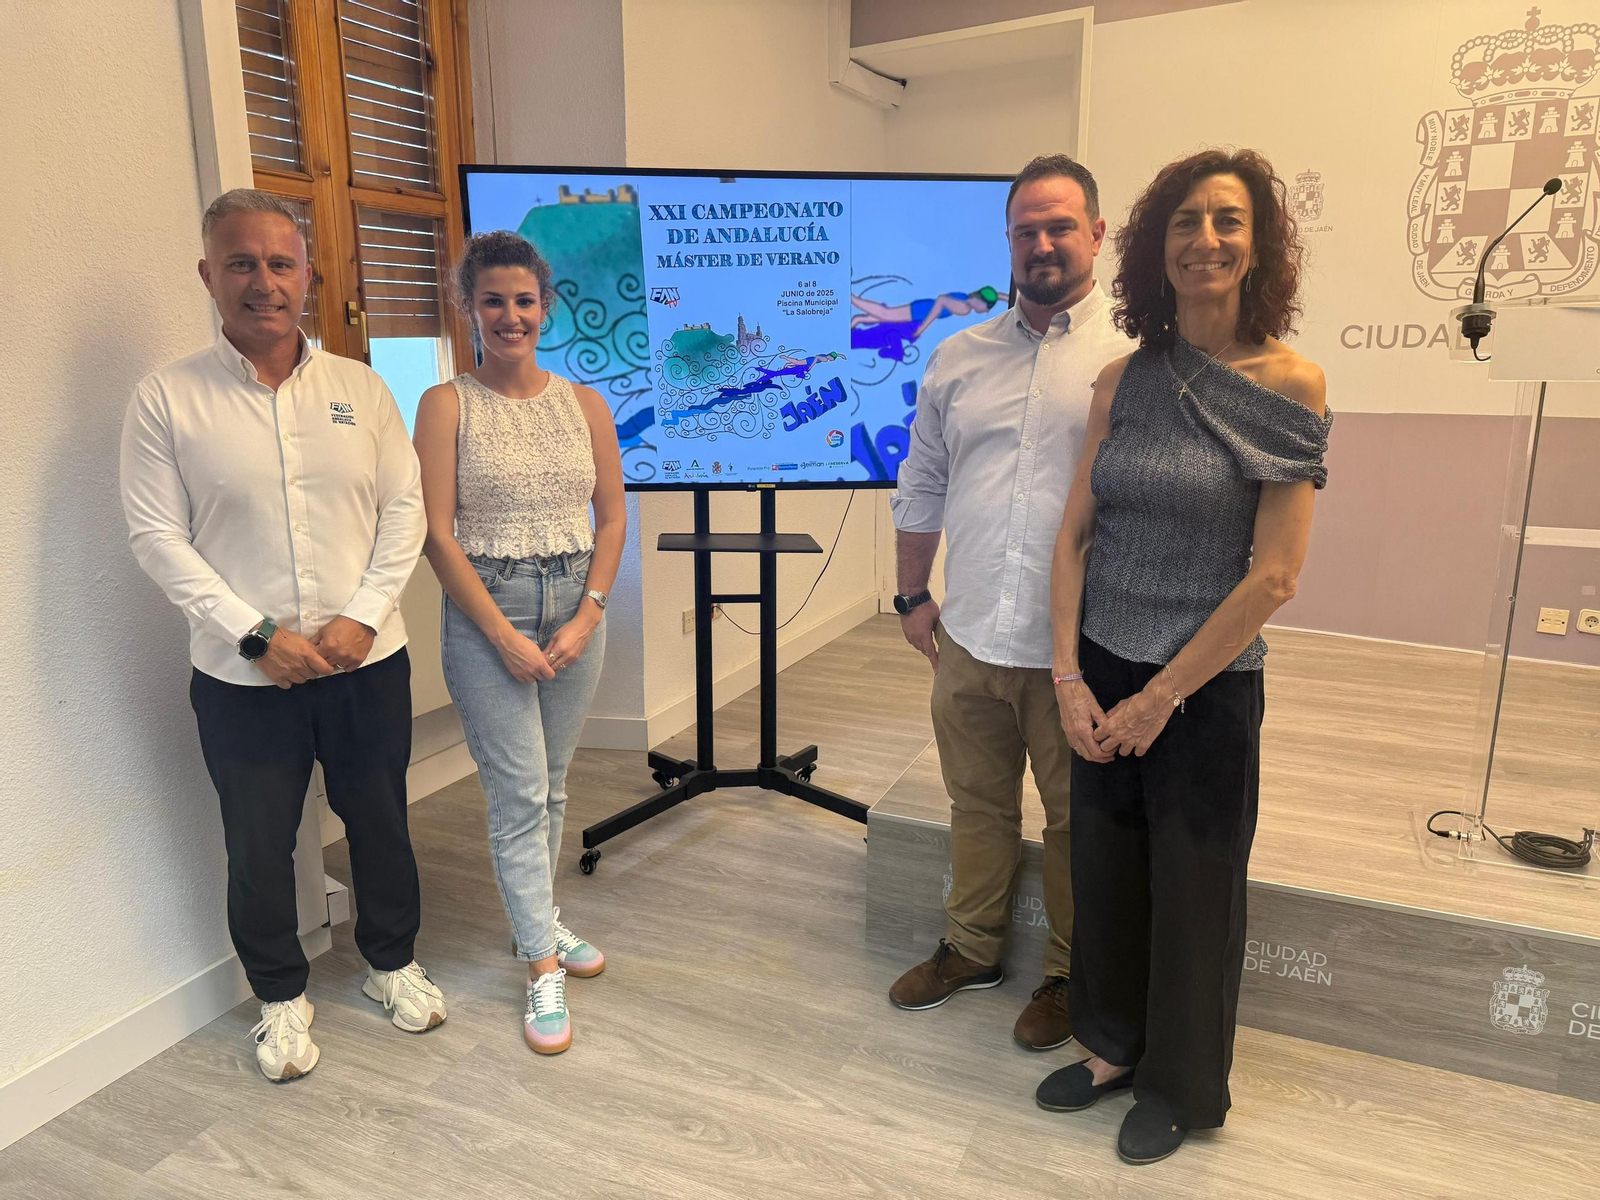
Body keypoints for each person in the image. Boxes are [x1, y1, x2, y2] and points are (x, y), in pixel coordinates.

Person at [1039, 148, 1331, 1164]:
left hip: (1204, 688)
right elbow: (1075, 534)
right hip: (1101, 671)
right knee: (1107, 872)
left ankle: (1181, 1084)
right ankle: (1112, 1047)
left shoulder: (1291, 383)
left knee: (1197, 891)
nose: (1204, 240)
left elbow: (1275, 576)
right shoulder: (1123, 379)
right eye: (1183, 222)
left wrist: (1162, 695)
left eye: (1227, 220)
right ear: (1153, 249)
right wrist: (1068, 675)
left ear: (1259, 246)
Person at [120, 189, 446, 1083]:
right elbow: (156, 537)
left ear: (307, 275)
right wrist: (256, 635)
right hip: (242, 679)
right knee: (259, 844)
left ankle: (390, 962)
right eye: (241, 263)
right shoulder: (167, 399)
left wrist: (363, 615)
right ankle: (279, 996)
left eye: (279, 263)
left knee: (379, 821)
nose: (262, 282)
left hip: (364, 662)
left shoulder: (360, 389)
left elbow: (405, 511)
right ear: (208, 275)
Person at [886, 155, 1131, 1050]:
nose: (1042, 244)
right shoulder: (959, 357)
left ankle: (1069, 971)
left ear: (1096, 233)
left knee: (1075, 822)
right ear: (1008, 242)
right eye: (1026, 230)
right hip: (969, 637)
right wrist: (912, 594)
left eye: (1060, 226)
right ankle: (972, 947)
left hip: (1078, 650)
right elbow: (922, 482)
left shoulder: (1133, 357)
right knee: (977, 805)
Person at [413, 231, 625, 1056]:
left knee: (554, 783)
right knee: (519, 795)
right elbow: (436, 535)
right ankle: (540, 962)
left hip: (576, 602)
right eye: (493, 301)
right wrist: (501, 635)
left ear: (547, 306)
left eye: (525, 301)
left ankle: (536, 921)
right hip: (487, 610)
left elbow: (612, 518)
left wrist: (590, 613)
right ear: (468, 308)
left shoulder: (585, 404)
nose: (511, 316)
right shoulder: (446, 405)